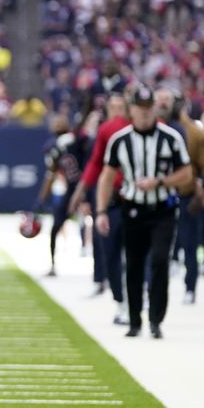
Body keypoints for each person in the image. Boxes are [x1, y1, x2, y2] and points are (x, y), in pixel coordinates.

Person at [95, 86, 193, 339]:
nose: (145, 113)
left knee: (160, 260)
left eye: (149, 108)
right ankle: (135, 319)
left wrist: (160, 183)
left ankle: (156, 319)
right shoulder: (120, 140)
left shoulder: (171, 137)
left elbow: (186, 174)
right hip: (133, 209)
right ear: (132, 110)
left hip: (162, 209)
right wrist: (102, 210)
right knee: (134, 264)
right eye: (140, 108)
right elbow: (106, 177)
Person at [69, 92, 130, 324]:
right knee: (110, 248)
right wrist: (81, 191)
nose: (116, 110)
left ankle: (135, 295)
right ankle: (119, 299)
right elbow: (95, 164)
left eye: (119, 106)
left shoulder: (138, 127)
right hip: (110, 198)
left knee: (136, 251)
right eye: (112, 106)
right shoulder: (105, 131)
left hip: (136, 198)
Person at [35, 113, 92, 276]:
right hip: (72, 189)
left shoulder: (78, 138)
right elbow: (51, 173)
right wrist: (41, 199)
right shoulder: (53, 147)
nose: (58, 124)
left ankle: (103, 269)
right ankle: (53, 265)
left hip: (89, 185)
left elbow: (82, 128)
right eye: (55, 122)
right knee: (55, 226)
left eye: (61, 121)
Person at [172, 95, 204, 304]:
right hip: (167, 192)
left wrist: (200, 193)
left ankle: (189, 285)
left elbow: (203, 168)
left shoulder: (194, 132)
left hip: (185, 192)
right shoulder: (158, 127)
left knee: (189, 242)